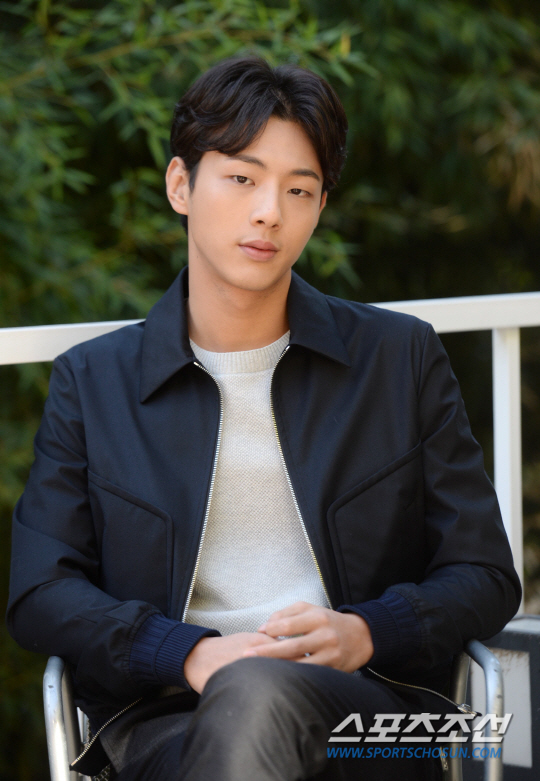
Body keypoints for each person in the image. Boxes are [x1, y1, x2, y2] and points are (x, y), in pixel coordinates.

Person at [7, 56, 520, 780]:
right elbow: (41, 591)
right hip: (170, 724)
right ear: (180, 185)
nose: (269, 212)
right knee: (247, 700)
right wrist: (185, 651)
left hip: (366, 723)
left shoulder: (398, 358)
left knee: (260, 695)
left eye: (298, 189)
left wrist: (367, 631)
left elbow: (485, 573)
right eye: (243, 179)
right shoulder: (94, 383)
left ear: (319, 207)